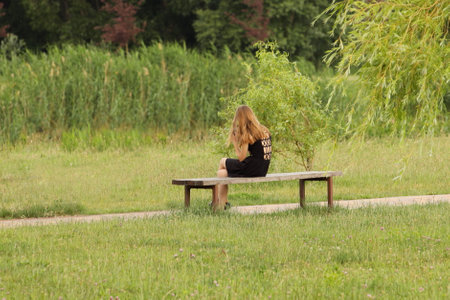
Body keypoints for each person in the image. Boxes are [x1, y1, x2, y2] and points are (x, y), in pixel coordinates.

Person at [215, 105, 272, 210]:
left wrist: (235, 143)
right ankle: (222, 203)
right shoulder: (264, 130)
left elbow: (241, 158)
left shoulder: (248, 133)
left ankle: (217, 202)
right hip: (262, 169)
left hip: (251, 167)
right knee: (221, 174)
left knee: (223, 161)